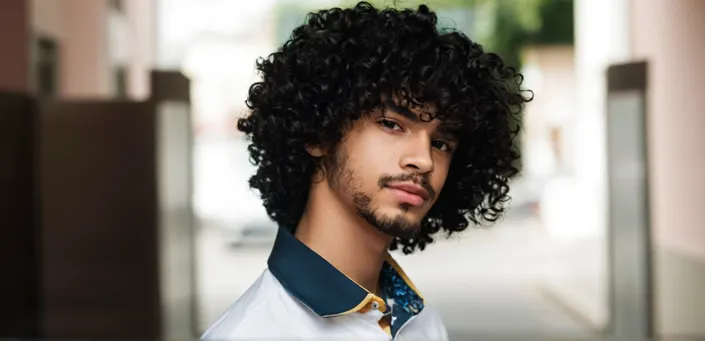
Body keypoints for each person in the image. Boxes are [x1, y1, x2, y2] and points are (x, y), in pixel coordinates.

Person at [201, 2, 530, 340]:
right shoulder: (253, 333)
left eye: (442, 143)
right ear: (319, 133)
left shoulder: (422, 323)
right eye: (391, 124)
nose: (424, 160)